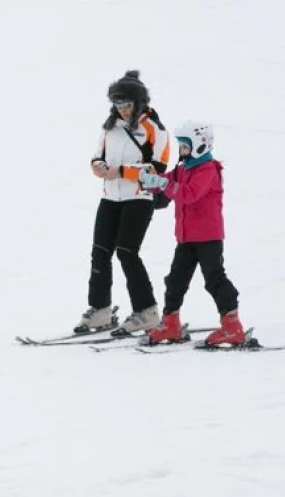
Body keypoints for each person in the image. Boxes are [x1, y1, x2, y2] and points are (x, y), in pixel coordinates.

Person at [77, 70, 170, 336]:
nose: (123, 110)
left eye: (127, 105)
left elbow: (157, 169)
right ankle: (100, 309)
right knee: (100, 251)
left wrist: (121, 172)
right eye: (118, 106)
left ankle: (147, 311)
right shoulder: (110, 128)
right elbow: (96, 157)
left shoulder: (155, 129)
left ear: (139, 102)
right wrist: (100, 168)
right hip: (110, 196)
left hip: (139, 198)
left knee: (127, 251)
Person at [139, 120, 247, 346]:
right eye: (181, 146)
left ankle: (232, 326)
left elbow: (189, 194)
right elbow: (168, 181)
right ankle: (171, 324)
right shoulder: (183, 169)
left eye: (185, 146)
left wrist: (163, 183)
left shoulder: (208, 170)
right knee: (175, 280)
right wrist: (150, 180)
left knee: (214, 280)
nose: (182, 150)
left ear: (200, 145)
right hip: (186, 238)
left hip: (208, 237)